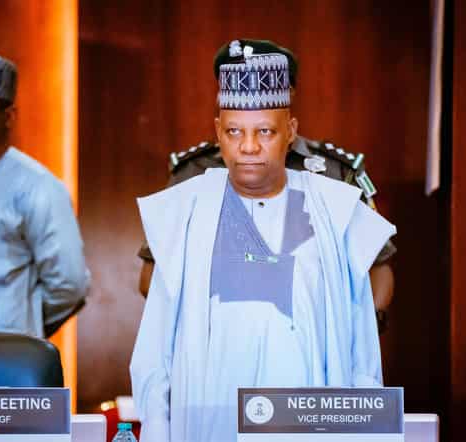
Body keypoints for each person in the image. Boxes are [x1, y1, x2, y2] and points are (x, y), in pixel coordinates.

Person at [130, 39, 397, 442]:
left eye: (265, 131)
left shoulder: (333, 203)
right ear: (218, 131)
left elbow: (361, 344)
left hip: (306, 416)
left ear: (290, 130)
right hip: (208, 413)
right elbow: (155, 344)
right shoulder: (187, 204)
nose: (250, 146)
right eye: (234, 131)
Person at [0, 50, 90, 338]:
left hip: (3, 358)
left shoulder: (37, 187)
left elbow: (69, 285)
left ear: (8, 116)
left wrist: (23, 323)